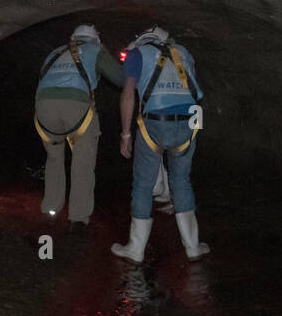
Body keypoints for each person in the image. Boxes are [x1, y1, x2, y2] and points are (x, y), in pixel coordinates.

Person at [111, 26, 210, 263]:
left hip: (155, 123)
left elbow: (128, 93)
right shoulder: (184, 52)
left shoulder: (138, 54)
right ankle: (193, 247)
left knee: (143, 185)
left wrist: (125, 134)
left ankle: (135, 249)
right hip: (191, 121)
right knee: (181, 180)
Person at [33, 24, 124, 231]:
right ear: (96, 40)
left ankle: (51, 209)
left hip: (43, 107)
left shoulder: (55, 52)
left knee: (54, 157)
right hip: (76, 106)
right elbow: (120, 78)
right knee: (82, 161)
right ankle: (78, 218)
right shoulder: (95, 50)